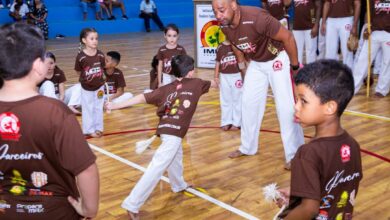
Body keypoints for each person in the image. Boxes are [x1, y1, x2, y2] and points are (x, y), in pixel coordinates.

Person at [0, 22, 99, 219]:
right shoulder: (56, 112)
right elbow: (86, 169)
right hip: (56, 212)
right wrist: (89, 209)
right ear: (38, 65)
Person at [106, 55, 217, 219]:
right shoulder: (197, 83)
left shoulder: (166, 89)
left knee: (176, 157)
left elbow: (141, 98)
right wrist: (217, 81)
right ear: (191, 72)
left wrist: (114, 105)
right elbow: (213, 84)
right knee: (156, 168)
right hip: (173, 134)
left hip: (166, 130)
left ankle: (178, 184)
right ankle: (132, 204)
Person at [212, 0, 304, 169]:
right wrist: (242, 68)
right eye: (215, 12)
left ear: (233, 5)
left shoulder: (257, 17)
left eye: (221, 10)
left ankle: (295, 154)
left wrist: (295, 66)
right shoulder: (225, 25)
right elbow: (236, 45)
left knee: (285, 108)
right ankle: (247, 147)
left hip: (278, 58)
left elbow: (288, 37)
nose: (218, 16)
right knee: (248, 103)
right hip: (257, 62)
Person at [275, 60, 363, 219]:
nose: (296, 106)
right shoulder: (353, 145)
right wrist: (298, 193)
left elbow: (309, 209)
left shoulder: (307, 153)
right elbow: (339, 187)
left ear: (330, 107)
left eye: (303, 101)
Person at [352, 2, 390, 98]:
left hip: (388, 33)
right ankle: (353, 88)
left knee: (387, 63)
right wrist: (367, 28)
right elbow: (369, 14)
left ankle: (382, 90)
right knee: (363, 60)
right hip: (374, 32)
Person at [74, 27, 106, 138]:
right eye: (92, 38)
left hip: (99, 87)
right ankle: (88, 130)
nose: (95, 41)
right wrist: (86, 80)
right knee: (88, 108)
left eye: (96, 38)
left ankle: (98, 128)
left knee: (98, 107)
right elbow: (78, 71)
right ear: (84, 40)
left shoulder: (101, 55)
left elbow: (103, 68)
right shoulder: (81, 57)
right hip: (86, 87)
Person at [321, 0, 360, 68]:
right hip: (331, 19)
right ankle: (330, 74)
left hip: (347, 19)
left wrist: (355, 25)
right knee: (330, 50)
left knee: (347, 50)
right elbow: (327, 3)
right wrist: (323, 22)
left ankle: (348, 74)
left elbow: (358, 4)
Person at [214, 39, 242, 131]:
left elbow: (242, 60)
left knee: (237, 99)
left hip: (237, 75)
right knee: (225, 99)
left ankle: (237, 122)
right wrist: (216, 76)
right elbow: (218, 62)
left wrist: (244, 74)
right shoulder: (220, 47)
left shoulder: (238, 45)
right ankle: (226, 121)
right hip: (224, 76)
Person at [291, 0, 321, 64]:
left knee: (311, 51)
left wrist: (316, 25)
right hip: (297, 26)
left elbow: (318, 6)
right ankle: (298, 72)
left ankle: (311, 72)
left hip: (310, 26)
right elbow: (286, 4)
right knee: (297, 51)